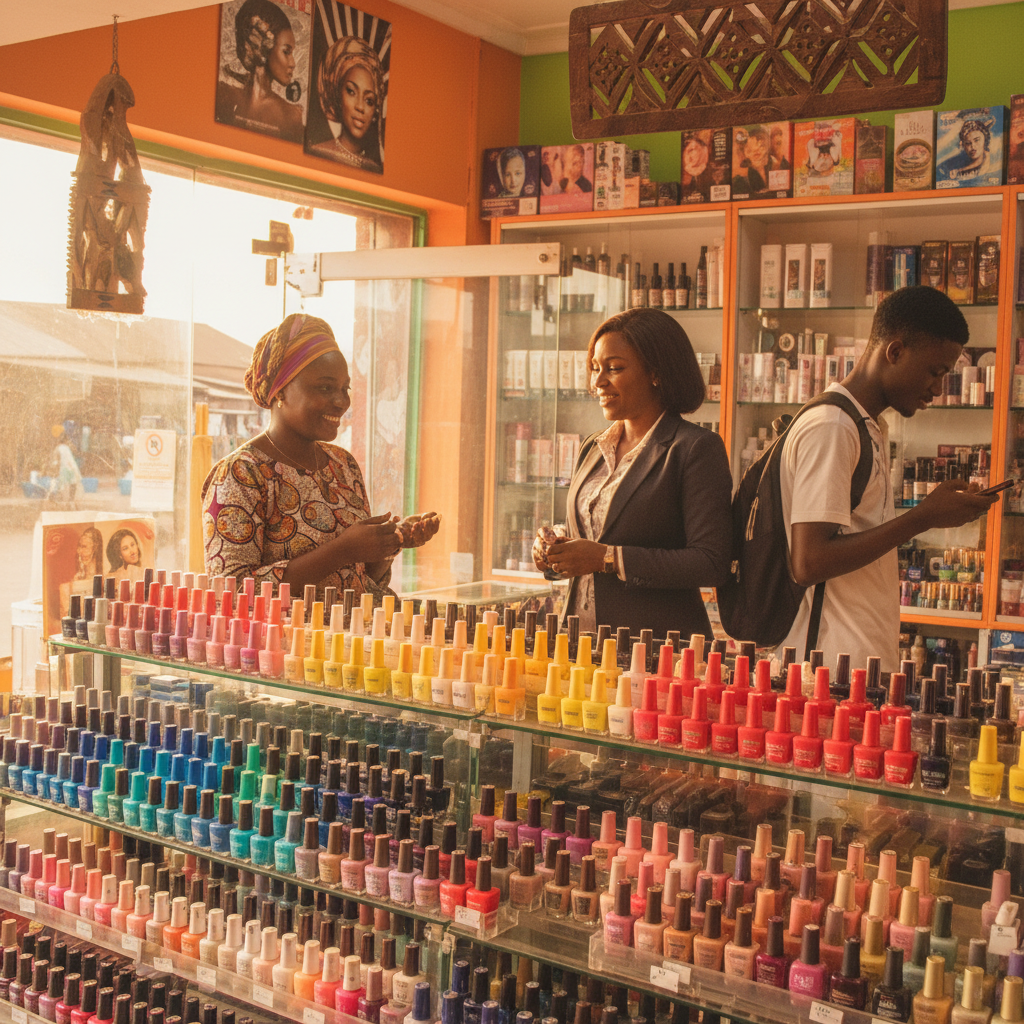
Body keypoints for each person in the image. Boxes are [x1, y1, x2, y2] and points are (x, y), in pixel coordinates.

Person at [779, 286, 998, 671]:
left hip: (856, 668)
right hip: (827, 673)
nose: (937, 388)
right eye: (935, 372)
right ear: (895, 352)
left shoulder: (867, 426)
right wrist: (924, 516)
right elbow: (809, 561)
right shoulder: (833, 427)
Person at [202, 313, 439, 600]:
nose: (342, 401)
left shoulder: (343, 465)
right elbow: (230, 592)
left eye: (344, 388)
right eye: (325, 388)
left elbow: (359, 579)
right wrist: (342, 550)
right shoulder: (241, 475)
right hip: (286, 644)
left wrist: (389, 544)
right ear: (281, 391)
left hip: (350, 641)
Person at [532, 307, 732, 639]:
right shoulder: (593, 446)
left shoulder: (695, 448)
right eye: (595, 368)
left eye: (614, 368)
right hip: (580, 644)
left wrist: (608, 559)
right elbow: (591, 536)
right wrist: (554, 551)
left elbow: (711, 562)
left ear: (656, 373)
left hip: (654, 649)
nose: (597, 382)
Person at [216, 0, 304, 143]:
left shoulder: (291, 115)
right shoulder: (223, 95)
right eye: (286, 52)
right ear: (264, 47)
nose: (293, 63)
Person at [308, 36, 385, 173]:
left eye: (369, 101)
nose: (360, 107)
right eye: (351, 91)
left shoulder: (374, 168)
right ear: (337, 94)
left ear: (375, 111)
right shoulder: (319, 152)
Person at [938, 116, 996, 183]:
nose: (973, 147)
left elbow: (979, 163)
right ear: (963, 145)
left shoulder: (989, 159)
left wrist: (959, 171)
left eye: (977, 140)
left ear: (985, 140)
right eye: (968, 143)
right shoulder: (955, 162)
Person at [732, 125, 770, 195]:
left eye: (761, 145)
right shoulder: (740, 181)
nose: (756, 149)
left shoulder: (775, 165)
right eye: (749, 149)